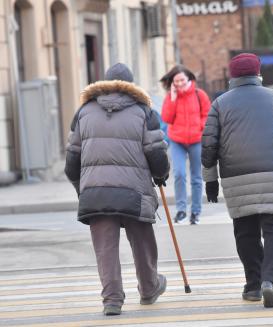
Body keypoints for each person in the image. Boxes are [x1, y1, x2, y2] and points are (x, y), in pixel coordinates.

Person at [64, 63, 170, 316]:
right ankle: (148, 288)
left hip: (95, 192)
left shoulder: (84, 112)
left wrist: (83, 188)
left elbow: (71, 161)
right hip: (134, 191)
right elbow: (156, 152)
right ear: (131, 86)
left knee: (105, 248)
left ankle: (112, 300)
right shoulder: (144, 112)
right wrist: (161, 175)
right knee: (143, 242)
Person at [201, 53, 273, 308]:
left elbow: (208, 146)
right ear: (258, 74)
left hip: (237, 177)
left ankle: (254, 285)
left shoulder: (219, 104)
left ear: (232, 76)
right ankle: (271, 281)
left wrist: (210, 180)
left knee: (245, 232)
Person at [160, 65, 211, 225]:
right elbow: (167, 118)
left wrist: (200, 128)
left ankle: (195, 212)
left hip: (196, 140)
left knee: (196, 178)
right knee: (179, 174)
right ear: (172, 83)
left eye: (182, 80)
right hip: (177, 141)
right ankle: (181, 210)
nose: (180, 84)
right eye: (176, 81)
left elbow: (207, 115)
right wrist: (173, 99)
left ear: (189, 79)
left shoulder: (199, 94)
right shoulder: (171, 96)